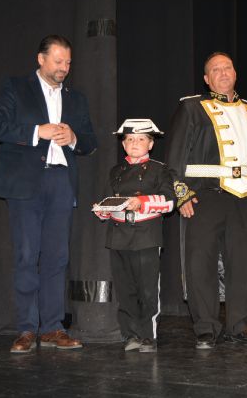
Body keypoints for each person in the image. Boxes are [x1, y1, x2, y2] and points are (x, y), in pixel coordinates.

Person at [0, 34, 97, 353]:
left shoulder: (77, 99)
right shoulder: (16, 87)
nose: (64, 67)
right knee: (26, 255)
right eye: (59, 61)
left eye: (68, 62)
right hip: (25, 183)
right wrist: (37, 132)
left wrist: (73, 137)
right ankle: (25, 327)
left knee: (57, 257)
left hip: (61, 181)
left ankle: (52, 327)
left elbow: (91, 141)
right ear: (41, 59)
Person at [165, 52, 247, 349]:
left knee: (241, 264)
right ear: (207, 78)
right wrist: (181, 193)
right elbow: (174, 158)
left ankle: (239, 327)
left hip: (245, 199)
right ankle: (206, 328)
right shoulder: (192, 108)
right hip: (203, 197)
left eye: (227, 68)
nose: (223, 73)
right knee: (201, 264)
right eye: (215, 70)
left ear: (235, 73)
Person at [93, 119, 175, 353]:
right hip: (118, 236)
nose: (134, 143)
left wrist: (141, 202)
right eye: (129, 139)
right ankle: (131, 335)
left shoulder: (161, 169)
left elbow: (170, 202)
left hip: (146, 236)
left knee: (147, 290)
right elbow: (110, 202)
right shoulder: (115, 171)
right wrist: (102, 210)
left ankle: (148, 336)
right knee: (125, 290)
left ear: (150, 144)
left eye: (140, 139)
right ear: (123, 144)